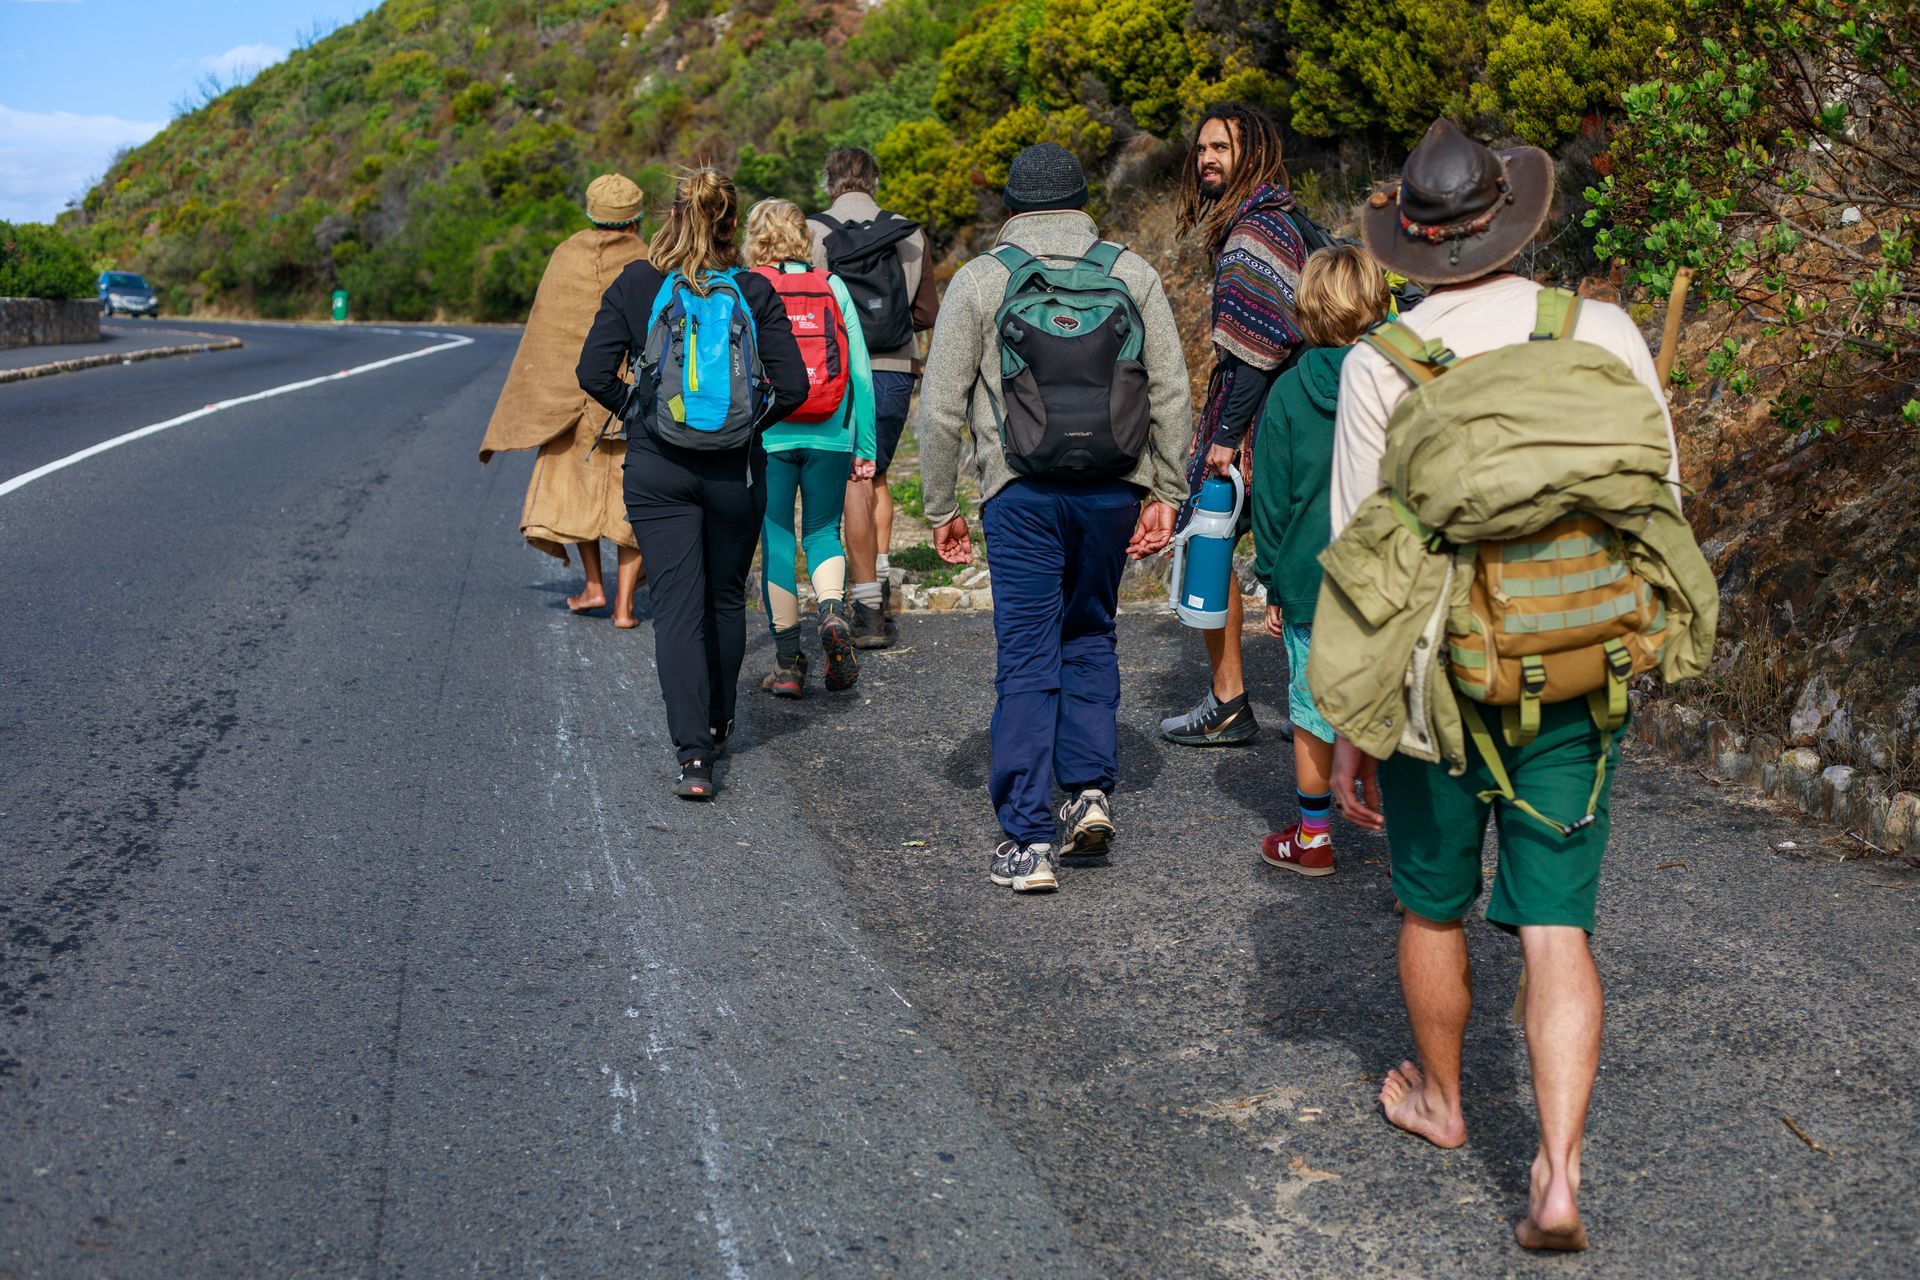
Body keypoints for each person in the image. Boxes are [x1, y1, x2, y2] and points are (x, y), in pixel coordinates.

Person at [1323, 120, 1693, 1253]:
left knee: (1431, 901)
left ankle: (1443, 1101)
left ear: (1416, 243)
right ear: (1511, 219)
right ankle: (1559, 1169)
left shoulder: (1380, 361)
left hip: (1441, 683)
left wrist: (1347, 728)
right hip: (1581, 664)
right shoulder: (1606, 328)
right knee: (1558, 925)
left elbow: (1355, 555)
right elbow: (1660, 495)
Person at [920, 144, 1191, 893]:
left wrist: (940, 506)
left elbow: (941, 409)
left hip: (1020, 493)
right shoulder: (1131, 272)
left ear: (1011, 208)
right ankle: (1090, 792)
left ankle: (1030, 839)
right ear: (1081, 202)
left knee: (1028, 651)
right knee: (1091, 631)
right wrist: (1167, 489)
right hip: (1112, 488)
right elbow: (1170, 390)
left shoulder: (980, 280)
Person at [576, 169, 810, 799]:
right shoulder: (754, 290)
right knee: (725, 599)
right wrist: (746, 429)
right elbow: (794, 387)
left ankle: (694, 758)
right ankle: (720, 718)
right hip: (736, 468)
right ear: (733, 225)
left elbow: (593, 371)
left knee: (677, 610)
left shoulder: (637, 283)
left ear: (670, 216)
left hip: (658, 469)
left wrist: (643, 415)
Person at [1159, 103, 1307, 747]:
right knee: (1302, 549)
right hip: (1293, 409)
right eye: (1201, 149)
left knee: (1208, 539)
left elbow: (1257, 344)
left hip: (1260, 416)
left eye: (1222, 147)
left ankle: (1230, 701)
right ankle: (1313, 708)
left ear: (1256, 154)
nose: (1208, 158)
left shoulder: (1255, 233)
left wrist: (1225, 439)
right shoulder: (1282, 220)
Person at [1251, 244, 1392, 877]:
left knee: (1311, 708)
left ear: (1307, 309)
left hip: (1311, 579)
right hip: (1388, 580)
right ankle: (1409, 852)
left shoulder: (1285, 393)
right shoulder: (1399, 382)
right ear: (1377, 304)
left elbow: (1272, 503)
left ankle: (1312, 839)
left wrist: (1272, 583)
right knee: (1388, 704)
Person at [479, 173, 649, 626]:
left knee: (574, 493)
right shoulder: (650, 260)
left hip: (573, 398)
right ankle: (625, 605)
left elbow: (548, 335)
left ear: (592, 213)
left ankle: (594, 585)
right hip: (630, 401)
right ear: (636, 218)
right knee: (632, 501)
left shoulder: (566, 255)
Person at [742, 198, 878, 696]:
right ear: (805, 237)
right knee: (822, 532)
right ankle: (832, 613)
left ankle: (786, 666)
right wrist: (865, 445)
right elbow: (860, 372)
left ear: (755, 236)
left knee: (776, 536)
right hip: (830, 430)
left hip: (769, 432)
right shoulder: (832, 286)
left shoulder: (747, 287)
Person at [808, 146, 941, 649]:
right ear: (875, 182)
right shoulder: (908, 231)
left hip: (836, 371)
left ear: (830, 182)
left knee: (849, 478)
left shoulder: (814, 231)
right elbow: (925, 313)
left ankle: (858, 596)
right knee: (876, 472)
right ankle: (878, 573)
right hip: (892, 370)